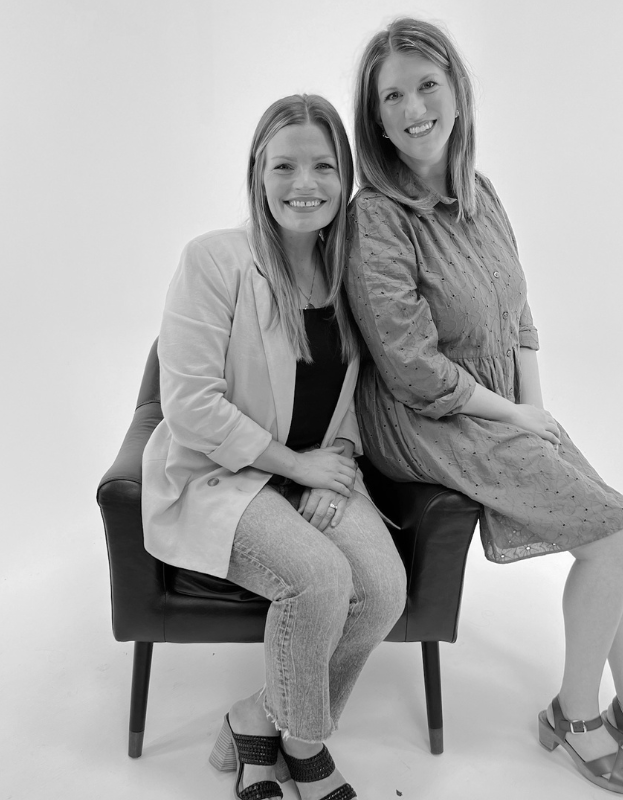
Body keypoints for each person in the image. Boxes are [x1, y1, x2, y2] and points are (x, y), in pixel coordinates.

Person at [346, 17, 623, 797]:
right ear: (375, 118)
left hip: (502, 404)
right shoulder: (376, 217)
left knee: (618, 528)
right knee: (615, 536)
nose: (413, 107)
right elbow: (411, 369)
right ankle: (575, 716)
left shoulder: (481, 193)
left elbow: (519, 318)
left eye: (426, 85)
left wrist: (535, 414)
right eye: (392, 96)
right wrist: (514, 420)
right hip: (423, 419)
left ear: (457, 91)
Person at [142, 94, 406, 800]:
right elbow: (190, 404)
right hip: (222, 475)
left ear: (345, 177)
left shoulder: (349, 272)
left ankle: (258, 718)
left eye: (323, 166)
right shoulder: (214, 259)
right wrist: (297, 467)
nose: (303, 184)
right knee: (318, 578)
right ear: (257, 171)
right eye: (284, 165)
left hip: (320, 466)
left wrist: (336, 461)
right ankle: (305, 750)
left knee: (383, 591)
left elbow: (354, 393)